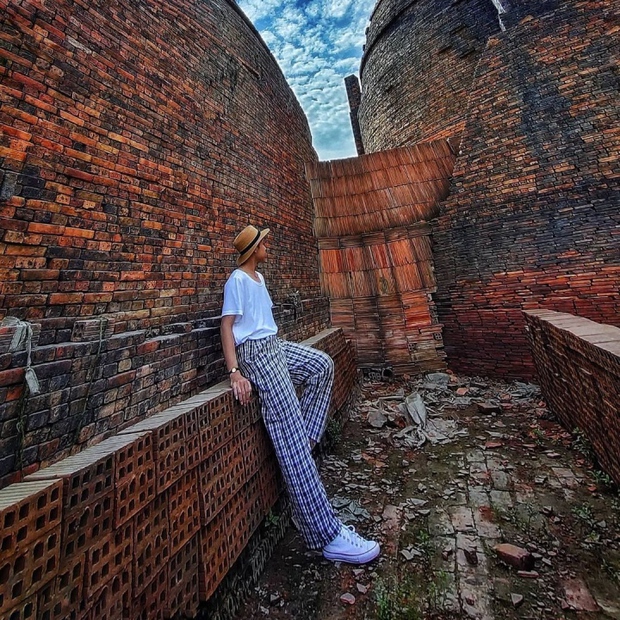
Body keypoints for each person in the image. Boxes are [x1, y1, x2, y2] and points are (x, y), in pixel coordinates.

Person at [220, 224, 380, 564]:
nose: (269, 246)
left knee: (322, 365)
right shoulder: (236, 280)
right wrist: (235, 372)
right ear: (253, 249)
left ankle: (302, 442)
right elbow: (227, 327)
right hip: (255, 356)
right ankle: (327, 536)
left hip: (274, 346)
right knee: (288, 431)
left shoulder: (259, 280)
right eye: (264, 242)